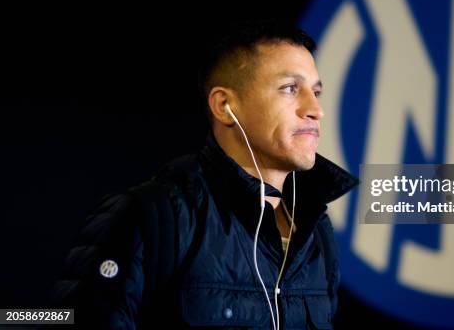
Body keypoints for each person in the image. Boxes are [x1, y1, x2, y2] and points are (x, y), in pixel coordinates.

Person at [49, 19, 359, 329]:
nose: (315, 109)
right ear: (225, 106)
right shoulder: (152, 215)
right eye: (290, 88)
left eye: (315, 92)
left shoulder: (316, 229)